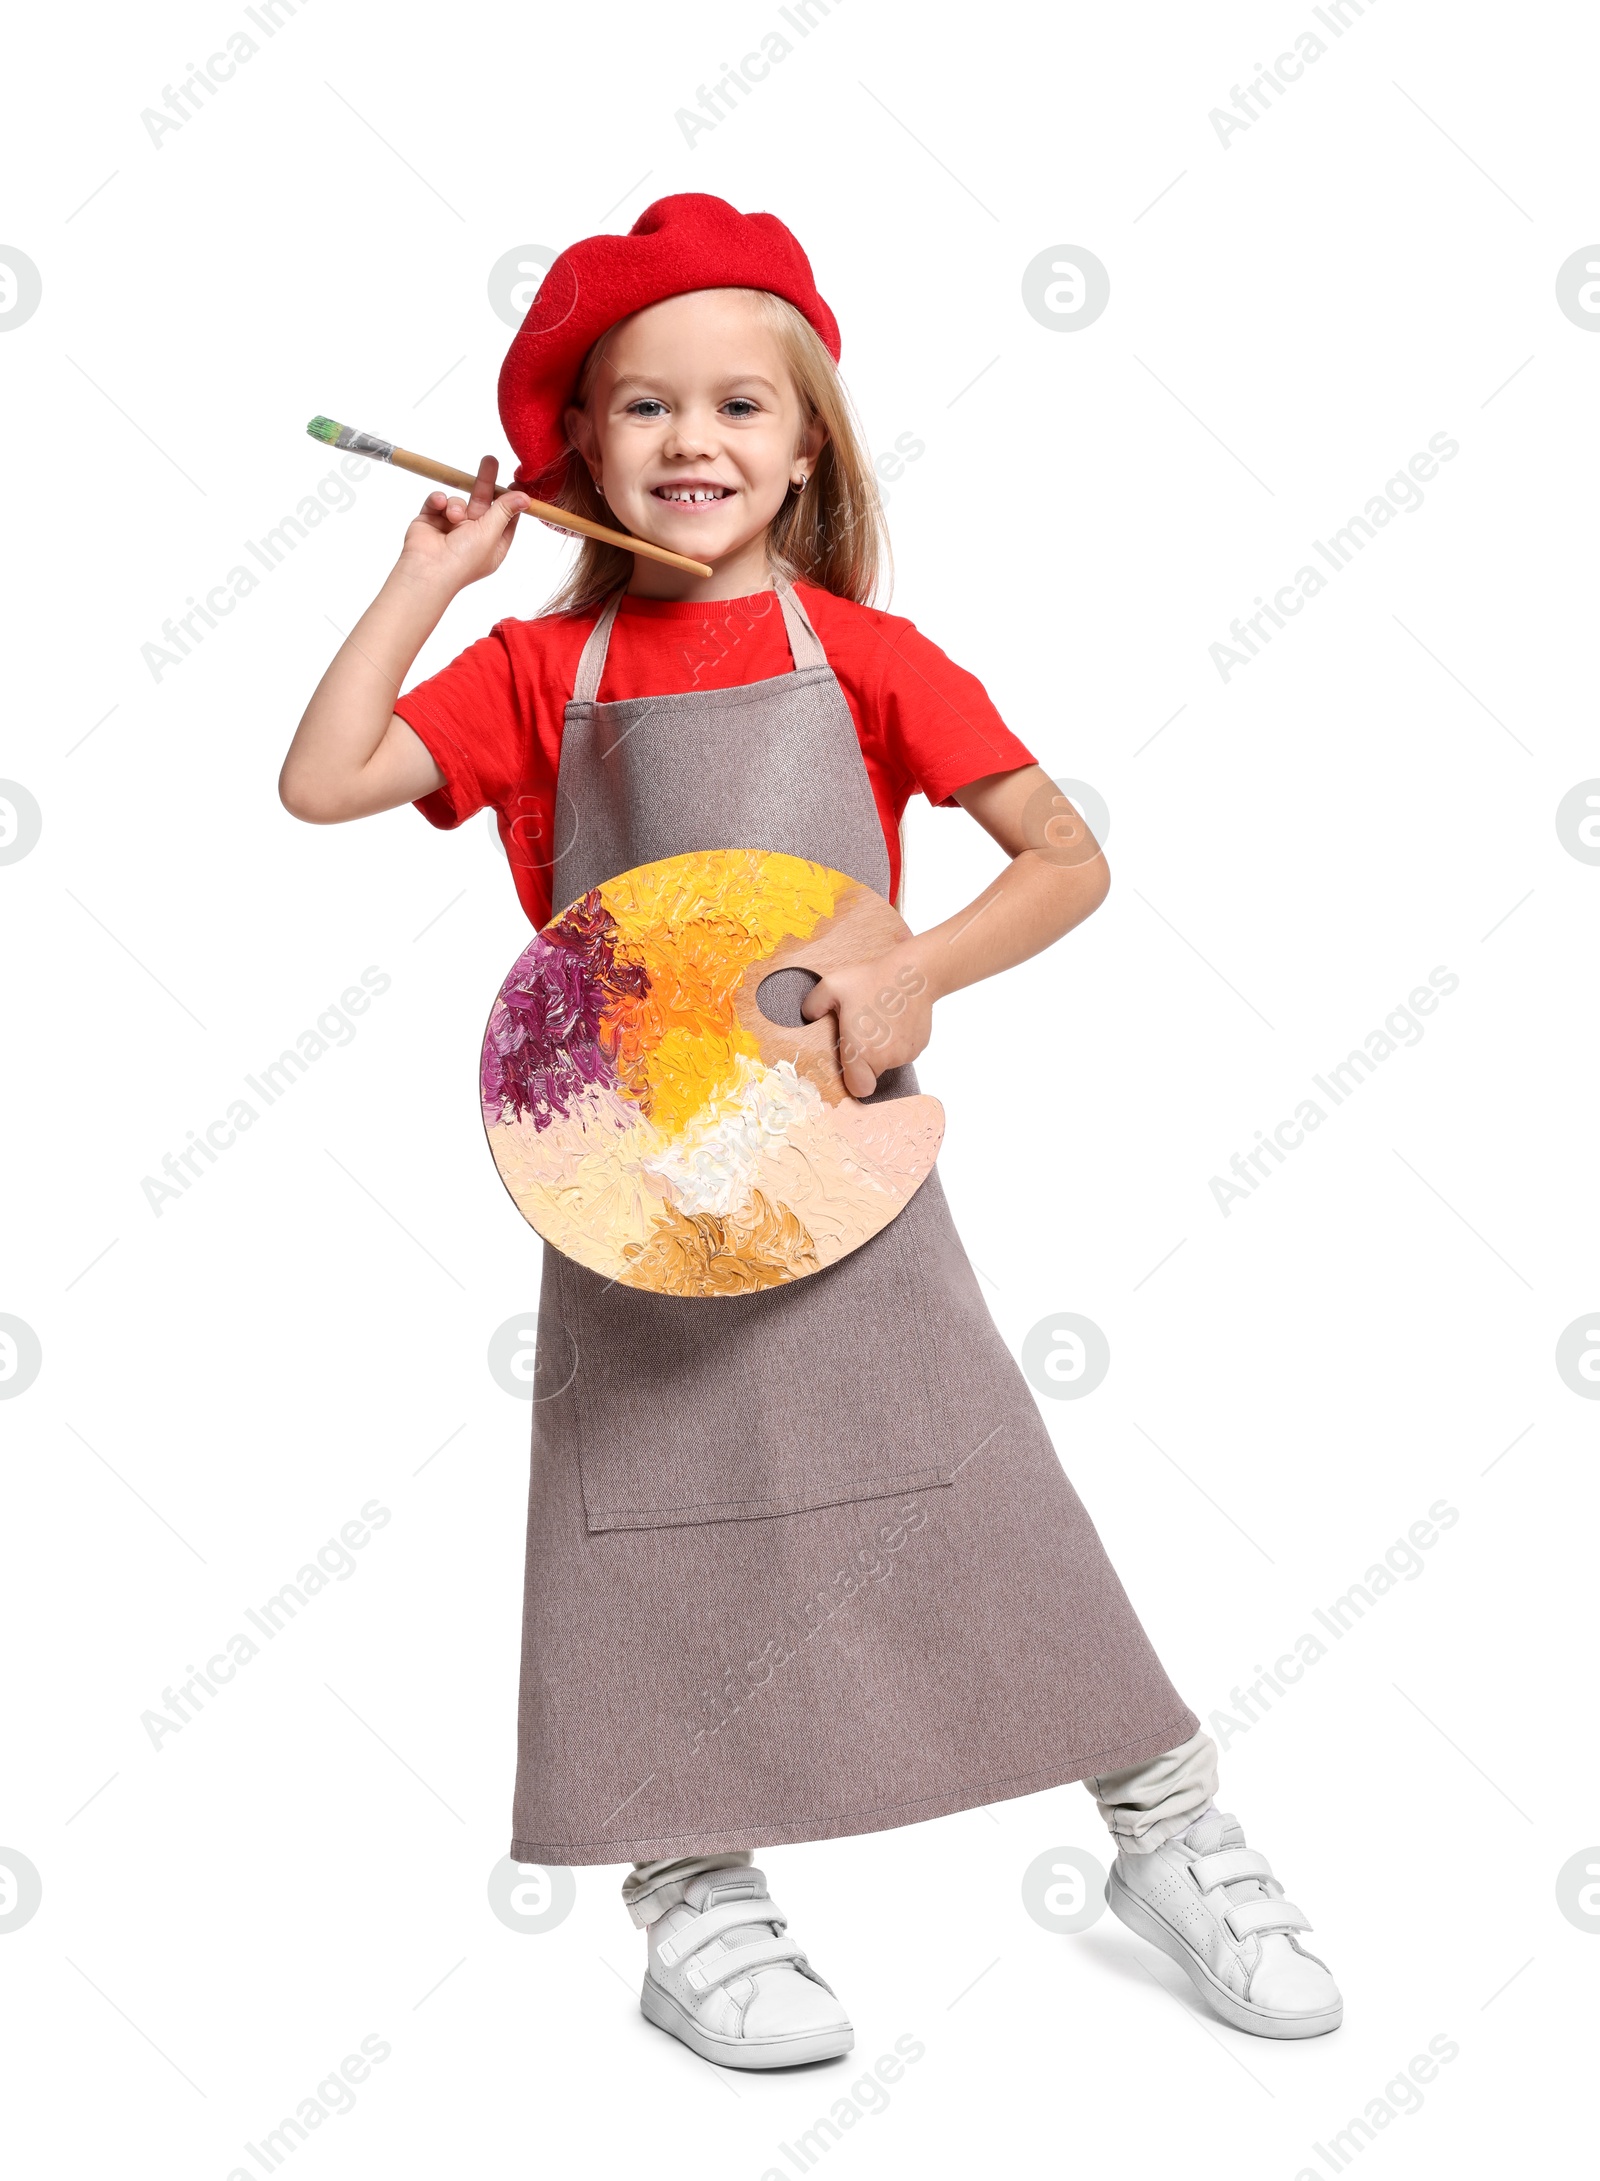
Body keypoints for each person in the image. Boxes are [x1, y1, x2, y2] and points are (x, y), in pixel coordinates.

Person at [280, 192, 1341, 2068]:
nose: (693, 442)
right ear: (578, 446)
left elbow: (1064, 857)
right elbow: (324, 779)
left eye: (740, 408)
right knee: (649, 1515)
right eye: (643, 409)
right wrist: (432, 579)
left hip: (838, 1153)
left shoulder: (867, 652)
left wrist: (924, 966)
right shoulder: (544, 675)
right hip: (624, 1171)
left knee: (973, 1469)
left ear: (809, 442)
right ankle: (691, 1888)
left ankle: (1168, 1828)